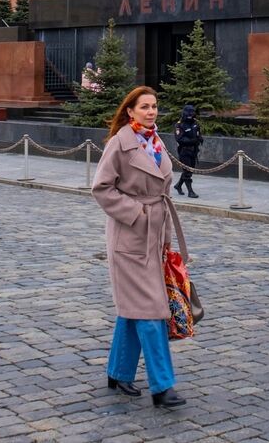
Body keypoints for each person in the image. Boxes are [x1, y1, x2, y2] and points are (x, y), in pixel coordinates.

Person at [91, 86, 187, 409]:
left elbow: (164, 195)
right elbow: (100, 188)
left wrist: (166, 237)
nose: (151, 111)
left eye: (154, 106)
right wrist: (137, 214)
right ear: (130, 111)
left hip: (154, 235)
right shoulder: (121, 143)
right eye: (144, 106)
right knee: (151, 310)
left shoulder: (157, 142)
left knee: (134, 307)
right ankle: (163, 386)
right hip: (129, 239)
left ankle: (118, 372)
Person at [173, 105, 204, 199]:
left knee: (190, 170)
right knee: (188, 171)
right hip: (184, 151)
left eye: (192, 112)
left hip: (194, 151)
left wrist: (200, 139)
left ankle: (178, 185)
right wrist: (193, 141)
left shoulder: (195, 123)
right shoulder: (180, 125)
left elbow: (198, 134)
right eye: (189, 112)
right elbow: (179, 139)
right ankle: (190, 191)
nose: (191, 114)